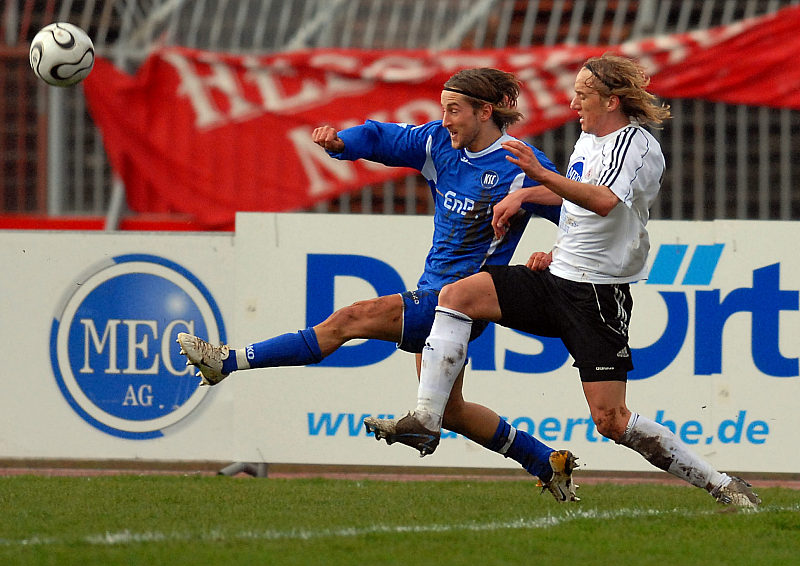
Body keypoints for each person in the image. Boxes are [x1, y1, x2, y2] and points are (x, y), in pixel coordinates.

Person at [365, 54, 761, 508]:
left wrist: (537, 176)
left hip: (596, 295)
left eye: (582, 95)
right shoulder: (589, 138)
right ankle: (426, 418)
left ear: (611, 101)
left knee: (611, 420)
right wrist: (529, 201)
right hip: (557, 277)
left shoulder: (635, 146)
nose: (573, 103)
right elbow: (573, 201)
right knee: (457, 295)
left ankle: (721, 484)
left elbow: (603, 201)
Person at [178, 68, 580, 501]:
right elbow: (383, 137)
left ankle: (228, 361)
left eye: (454, 110)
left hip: (461, 303)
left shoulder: (521, 164)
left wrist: (552, 254)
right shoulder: (438, 142)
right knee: (451, 411)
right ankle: (544, 460)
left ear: (485, 112)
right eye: (443, 109)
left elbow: (580, 216)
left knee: (349, 320)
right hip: (434, 292)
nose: (445, 119)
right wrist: (342, 144)